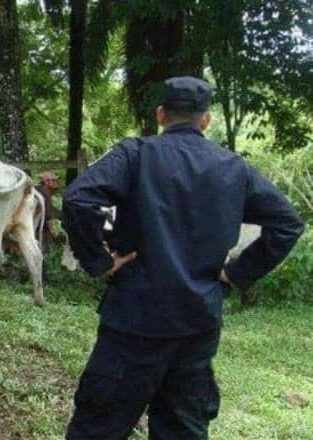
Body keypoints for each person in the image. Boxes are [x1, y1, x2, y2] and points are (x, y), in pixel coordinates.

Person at [62, 76, 304, 439]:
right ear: (205, 120)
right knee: (183, 430)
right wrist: (237, 273)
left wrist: (99, 261)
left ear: (161, 115)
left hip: (134, 318)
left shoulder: (135, 154)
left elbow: (79, 200)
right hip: (197, 321)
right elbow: (287, 223)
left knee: (98, 428)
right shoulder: (233, 167)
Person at [37, 171, 61, 244]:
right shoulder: (45, 193)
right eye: (54, 180)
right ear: (47, 182)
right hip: (39, 228)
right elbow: (47, 215)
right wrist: (54, 233)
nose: (56, 183)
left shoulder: (43, 191)